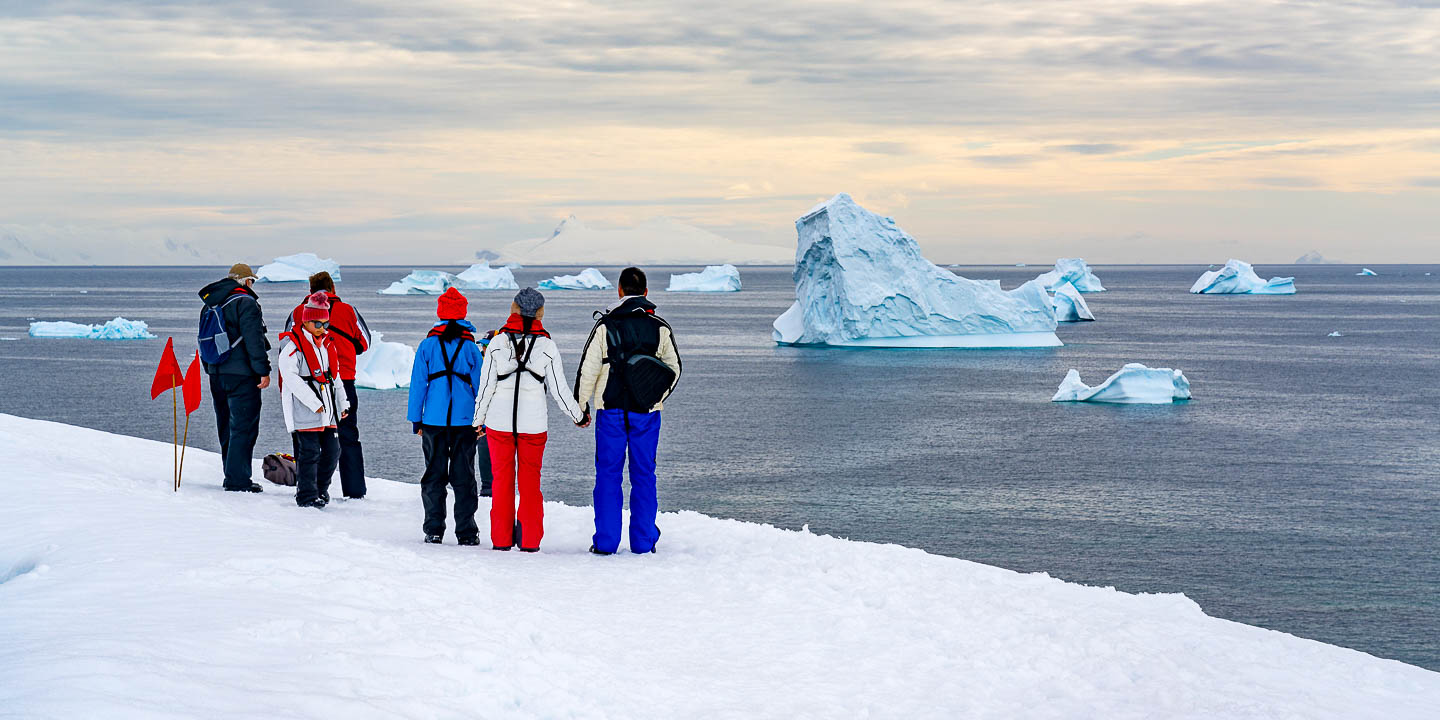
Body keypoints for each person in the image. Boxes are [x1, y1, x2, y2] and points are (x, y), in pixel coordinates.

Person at [574, 267, 681, 555]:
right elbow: (675, 370)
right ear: (646, 292)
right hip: (646, 414)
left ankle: (607, 543)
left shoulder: (605, 326)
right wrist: (656, 397)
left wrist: (580, 408)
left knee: (608, 475)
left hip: (610, 412)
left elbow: (588, 370)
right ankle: (643, 542)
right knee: (644, 474)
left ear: (619, 291)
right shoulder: (659, 326)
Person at [473, 288, 587, 552]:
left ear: (513, 309)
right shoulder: (547, 346)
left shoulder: (497, 344)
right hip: (533, 427)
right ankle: (529, 541)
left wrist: (477, 421)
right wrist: (578, 416)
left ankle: (501, 541)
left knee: (501, 482)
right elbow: (559, 390)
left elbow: (486, 388)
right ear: (540, 313)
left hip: (498, 425)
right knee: (530, 483)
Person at [407, 287, 485, 545]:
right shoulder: (470, 347)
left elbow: (418, 384)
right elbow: (481, 385)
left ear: (440, 313)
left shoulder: (427, 345)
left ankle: (433, 530)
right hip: (465, 422)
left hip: (433, 421)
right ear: (463, 313)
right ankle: (467, 532)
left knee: (434, 475)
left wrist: (415, 419)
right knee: (464, 476)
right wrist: (482, 419)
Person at [288, 272, 371, 499]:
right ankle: (354, 490)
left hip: (308, 382)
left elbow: (289, 343)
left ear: (310, 289)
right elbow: (365, 341)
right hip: (342, 378)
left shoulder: (298, 312)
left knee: (306, 435)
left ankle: (306, 487)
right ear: (332, 288)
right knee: (347, 435)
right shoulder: (347, 310)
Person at [198, 263, 273, 493]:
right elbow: (254, 340)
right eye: (252, 281)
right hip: (242, 375)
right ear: (246, 281)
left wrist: (210, 368)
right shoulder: (246, 303)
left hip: (216, 372)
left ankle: (230, 474)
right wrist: (263, 370)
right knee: (243, 427)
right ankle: (238, 480)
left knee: (225, 425)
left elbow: (202, 339)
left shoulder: (211, 303)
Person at [276, 292, 349, 508]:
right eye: (317, 323)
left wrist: (342, 404)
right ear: (306, 321)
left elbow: (334, 376)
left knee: (333, 450)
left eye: (325, 323)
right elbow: (290, 378)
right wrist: (313, 402)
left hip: (327, 408)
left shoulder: (326, 344)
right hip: (305, 409)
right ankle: (306, 495)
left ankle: (320, 488)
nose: (322, 328)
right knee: (308, 453)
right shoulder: (292, 346)